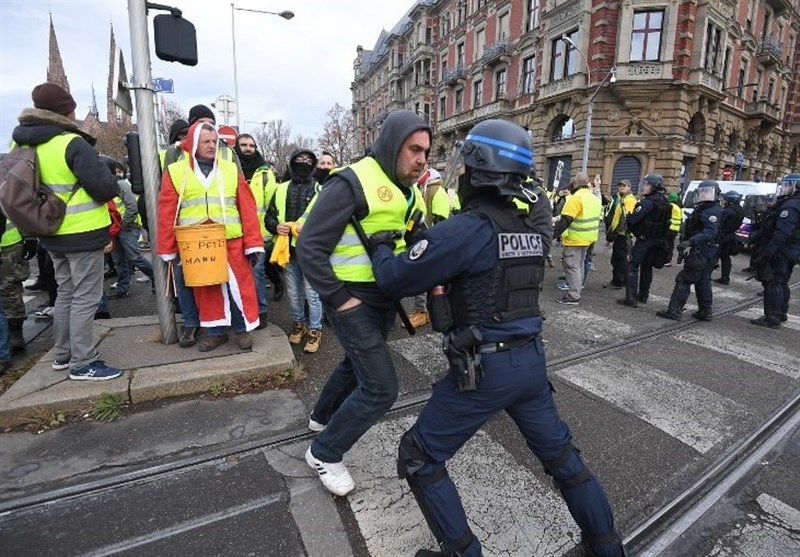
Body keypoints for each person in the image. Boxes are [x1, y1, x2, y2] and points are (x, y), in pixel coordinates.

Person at [369, 119, 623, 557]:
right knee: (562, 460)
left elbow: (394, 277)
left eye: (465, 169)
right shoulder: (526, 229)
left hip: (484, 370)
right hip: (530, 363)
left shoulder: (467, 228)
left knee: (419, 456)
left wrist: (380, 245)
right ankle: (605, 545)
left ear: (477, 171)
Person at [296, 109, 430, 496]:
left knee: (354, 366)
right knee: (381, 388)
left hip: (382, 300)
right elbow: (310, 247)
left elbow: (415, 236)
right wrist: (341, 300)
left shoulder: (408, 189)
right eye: (414, 149)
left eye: (426, 152)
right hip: (351, 300)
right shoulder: (350, 183)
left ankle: (322, 418)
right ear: (392, 146)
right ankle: (324, 451)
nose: (421, 159)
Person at [11, 83, 122, 380]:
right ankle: (83, 362)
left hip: (49, 233)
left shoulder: (21, 145)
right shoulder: (70, 143)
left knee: (65, 294)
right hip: (82, 232)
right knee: (86, 297)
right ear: (66, 111)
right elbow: (105, 187)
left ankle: (62, 355)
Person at [157, 121, 264, 351]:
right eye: (206, 141)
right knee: (207, 289)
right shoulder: (176, 172)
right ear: (194, 143)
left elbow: (247, 207)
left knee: (239, 287)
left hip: (231, 240)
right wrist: (168, 248)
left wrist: (253, 243)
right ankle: (215, 333)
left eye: (214, 141)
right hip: (196, 243)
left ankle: (241, 329)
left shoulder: (230, 169)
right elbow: (166, 211)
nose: (211, 146)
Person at [267, 149, 325, 353]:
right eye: (299, 160)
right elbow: (269, 217)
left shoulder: (320, 189)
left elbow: (327, 221)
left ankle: (315, 330)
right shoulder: (281, 189)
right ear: (292, 163)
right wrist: (276, 226)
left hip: (311, 252)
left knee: (313, 294)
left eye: (308, 160)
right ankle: (298, 325)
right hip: (288, 252)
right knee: (293, 293)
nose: (304, 163)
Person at [656, 180, 722, 321]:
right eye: (702, 192)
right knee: (703, 281)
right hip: (702, 251)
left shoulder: (712, 211)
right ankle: (705, 311)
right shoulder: (703, 208)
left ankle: (674, 310)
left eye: (707, 192)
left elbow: (710, 232)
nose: (704, 195)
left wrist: (690, 242)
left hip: (702, 252)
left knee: (684, 279)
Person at [100, 155, 155, 298]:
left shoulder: (120, 185)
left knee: (134, 257)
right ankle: (123, 288)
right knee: (119, 261)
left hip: (127, 227)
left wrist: (123, 223)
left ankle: (157, 279)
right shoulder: (105, 185)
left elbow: (132, 206)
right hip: (115, 229)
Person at [749, 174, 800, 328]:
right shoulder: (794, 203)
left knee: (774, 282)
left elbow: (782, 232)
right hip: (791, 249)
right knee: (783, 282)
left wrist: (769, 251)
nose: (784, 189)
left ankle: (773, 316)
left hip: (782, 250)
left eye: (787, 185)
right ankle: (781, 312)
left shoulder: (790, 205)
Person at [408, 168, 453, 328]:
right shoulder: (422, 188)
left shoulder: (436, 191)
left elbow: (441, 221)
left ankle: (424, 312)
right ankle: (422, 310)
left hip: (431, 241)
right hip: (424, 239)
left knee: (424, 277)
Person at [618, 173, 671, 308]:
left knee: (632, 266)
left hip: (645, 240)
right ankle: (643, 296)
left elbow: (633, 219)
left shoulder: (648, 202)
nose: (644, 187)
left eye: (647, 185)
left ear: (654, 186)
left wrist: (629, 217)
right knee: (647, 268)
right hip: (657, 240)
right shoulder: (665, 201)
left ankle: (631, 298)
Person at [243, 137, 279, 328]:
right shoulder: (230, 170)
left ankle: (261, 311)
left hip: (258, 234)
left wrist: (269, 233)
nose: (248, 149)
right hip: (235, 232)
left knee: (257, 272)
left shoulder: (264, 173)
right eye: (244, 145)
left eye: (252, 145)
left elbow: (271, 206)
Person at [552, 171, 602, 305]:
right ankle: (577, 291)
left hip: (574, 238)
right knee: (579, 266)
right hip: (588, 238)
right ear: (587, 183)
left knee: (572, 266)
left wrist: (552, 234)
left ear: (575, 183)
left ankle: (573, 296)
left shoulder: (576, 198)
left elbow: (565, 220)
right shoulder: (594, 198)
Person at [0, 218, 37, 353]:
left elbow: (18, 206)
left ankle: (15, 333)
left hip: (8, 247)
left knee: (9, 291)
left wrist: (30, 237)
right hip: (10, 245)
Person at [603, 179, 637, 289]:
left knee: (619, 259)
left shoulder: (629, 200)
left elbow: (626, 218)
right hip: (620, 234)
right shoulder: (622, 198)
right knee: (619, 259)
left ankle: (618, 282)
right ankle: (620, 281)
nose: (621, 187)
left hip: (623, 235)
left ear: (629, 187)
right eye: (620, 186)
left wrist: (617, 231)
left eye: (624, 186)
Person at [712, 191, 744, 285]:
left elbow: (720, 223)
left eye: (725, 199)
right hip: (731, 235)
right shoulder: (740, 209)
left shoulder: (728, 211)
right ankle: (725, 277)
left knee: (714, 255)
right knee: (725, 258)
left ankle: (706, 276)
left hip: (723, 235)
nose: (724, 201)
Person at [664, 191, 683, 267]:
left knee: (666, 245)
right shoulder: (679, 207)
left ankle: (665, 260)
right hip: (675, 229)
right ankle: (668, 260)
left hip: (669, 228)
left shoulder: (671, 206)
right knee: (671, 245)